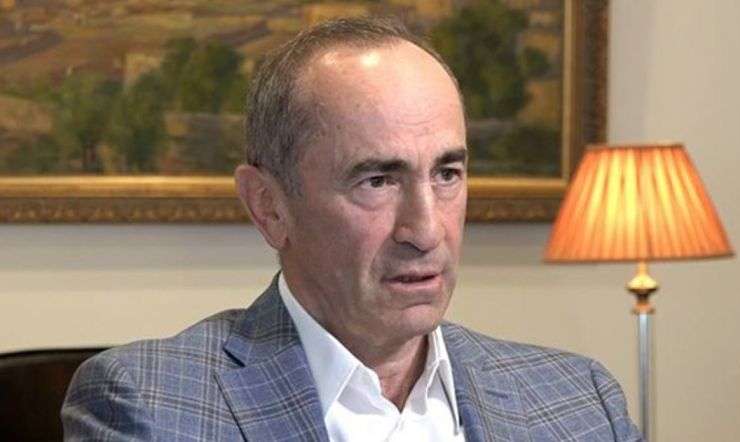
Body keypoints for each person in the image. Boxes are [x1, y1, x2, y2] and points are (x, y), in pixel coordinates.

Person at [62, 17, 643, 441]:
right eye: (378, 181)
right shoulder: (150, 406)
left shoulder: (578, 401)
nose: (426, 230)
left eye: (447, 173)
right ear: (269, 206)